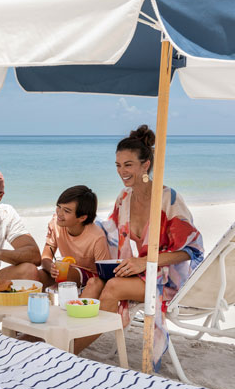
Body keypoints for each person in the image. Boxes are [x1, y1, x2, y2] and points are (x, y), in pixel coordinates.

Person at [74, 125, 203, 369]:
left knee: (112, 287)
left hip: (167, 279)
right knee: (93, 283)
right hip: (141, 273)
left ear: (145, 165)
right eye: (118, 165)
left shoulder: (168, 199)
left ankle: (69, 352)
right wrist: (72, 226)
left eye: (128, 164)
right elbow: (107, 231)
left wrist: (145, 262)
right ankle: (66, 339)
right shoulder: (124, 198)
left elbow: (192, 249)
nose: (122, 171)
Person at [38, 185, 111, 294]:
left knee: (65, 273)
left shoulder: (96, 237)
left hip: (90, 276)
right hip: (65, 270)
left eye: (67, 211)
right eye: (59, 206)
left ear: (82, 218)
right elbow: (45, 256)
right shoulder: (55, 223)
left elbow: (105, 274)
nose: (59, 213)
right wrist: (50, 267)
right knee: (38, 276)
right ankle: (42, 305)